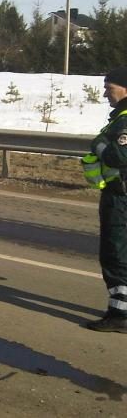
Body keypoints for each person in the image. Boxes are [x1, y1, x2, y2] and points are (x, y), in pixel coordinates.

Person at [85, 67, 127, 333]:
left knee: (116, 254)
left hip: (120, 199)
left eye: (109, 88)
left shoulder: (124, 122)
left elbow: (118, 157)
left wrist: (98, 144)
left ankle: (119, 314)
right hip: (119, 195)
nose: (104, 93)